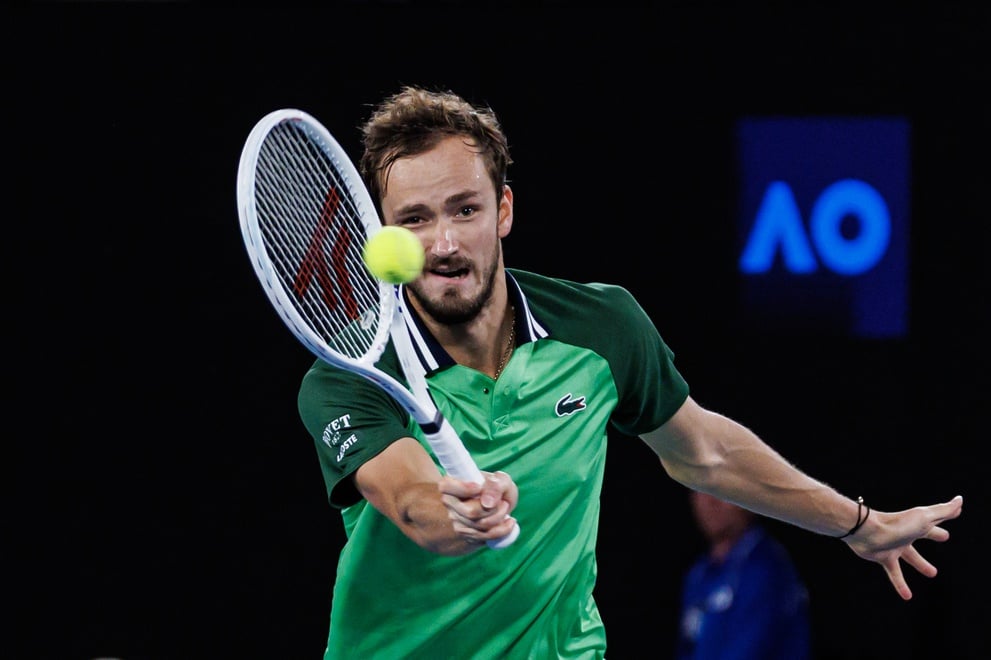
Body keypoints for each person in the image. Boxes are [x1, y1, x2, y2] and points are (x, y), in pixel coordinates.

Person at [296, 85, 963, 659]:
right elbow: (412, 502)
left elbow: (703, 454)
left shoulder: (600, 326)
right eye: (413, 219)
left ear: (502, 210)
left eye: (463, 209)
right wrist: (456, 514)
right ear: (381, 234)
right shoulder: (351, 374)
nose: (443, 243)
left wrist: (857, 523)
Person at [675, 490, 811, 660]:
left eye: (719, 489)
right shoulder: (698, 574)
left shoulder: (768, 569)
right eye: (700, 490)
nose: (710, 500)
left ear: (748, 497)